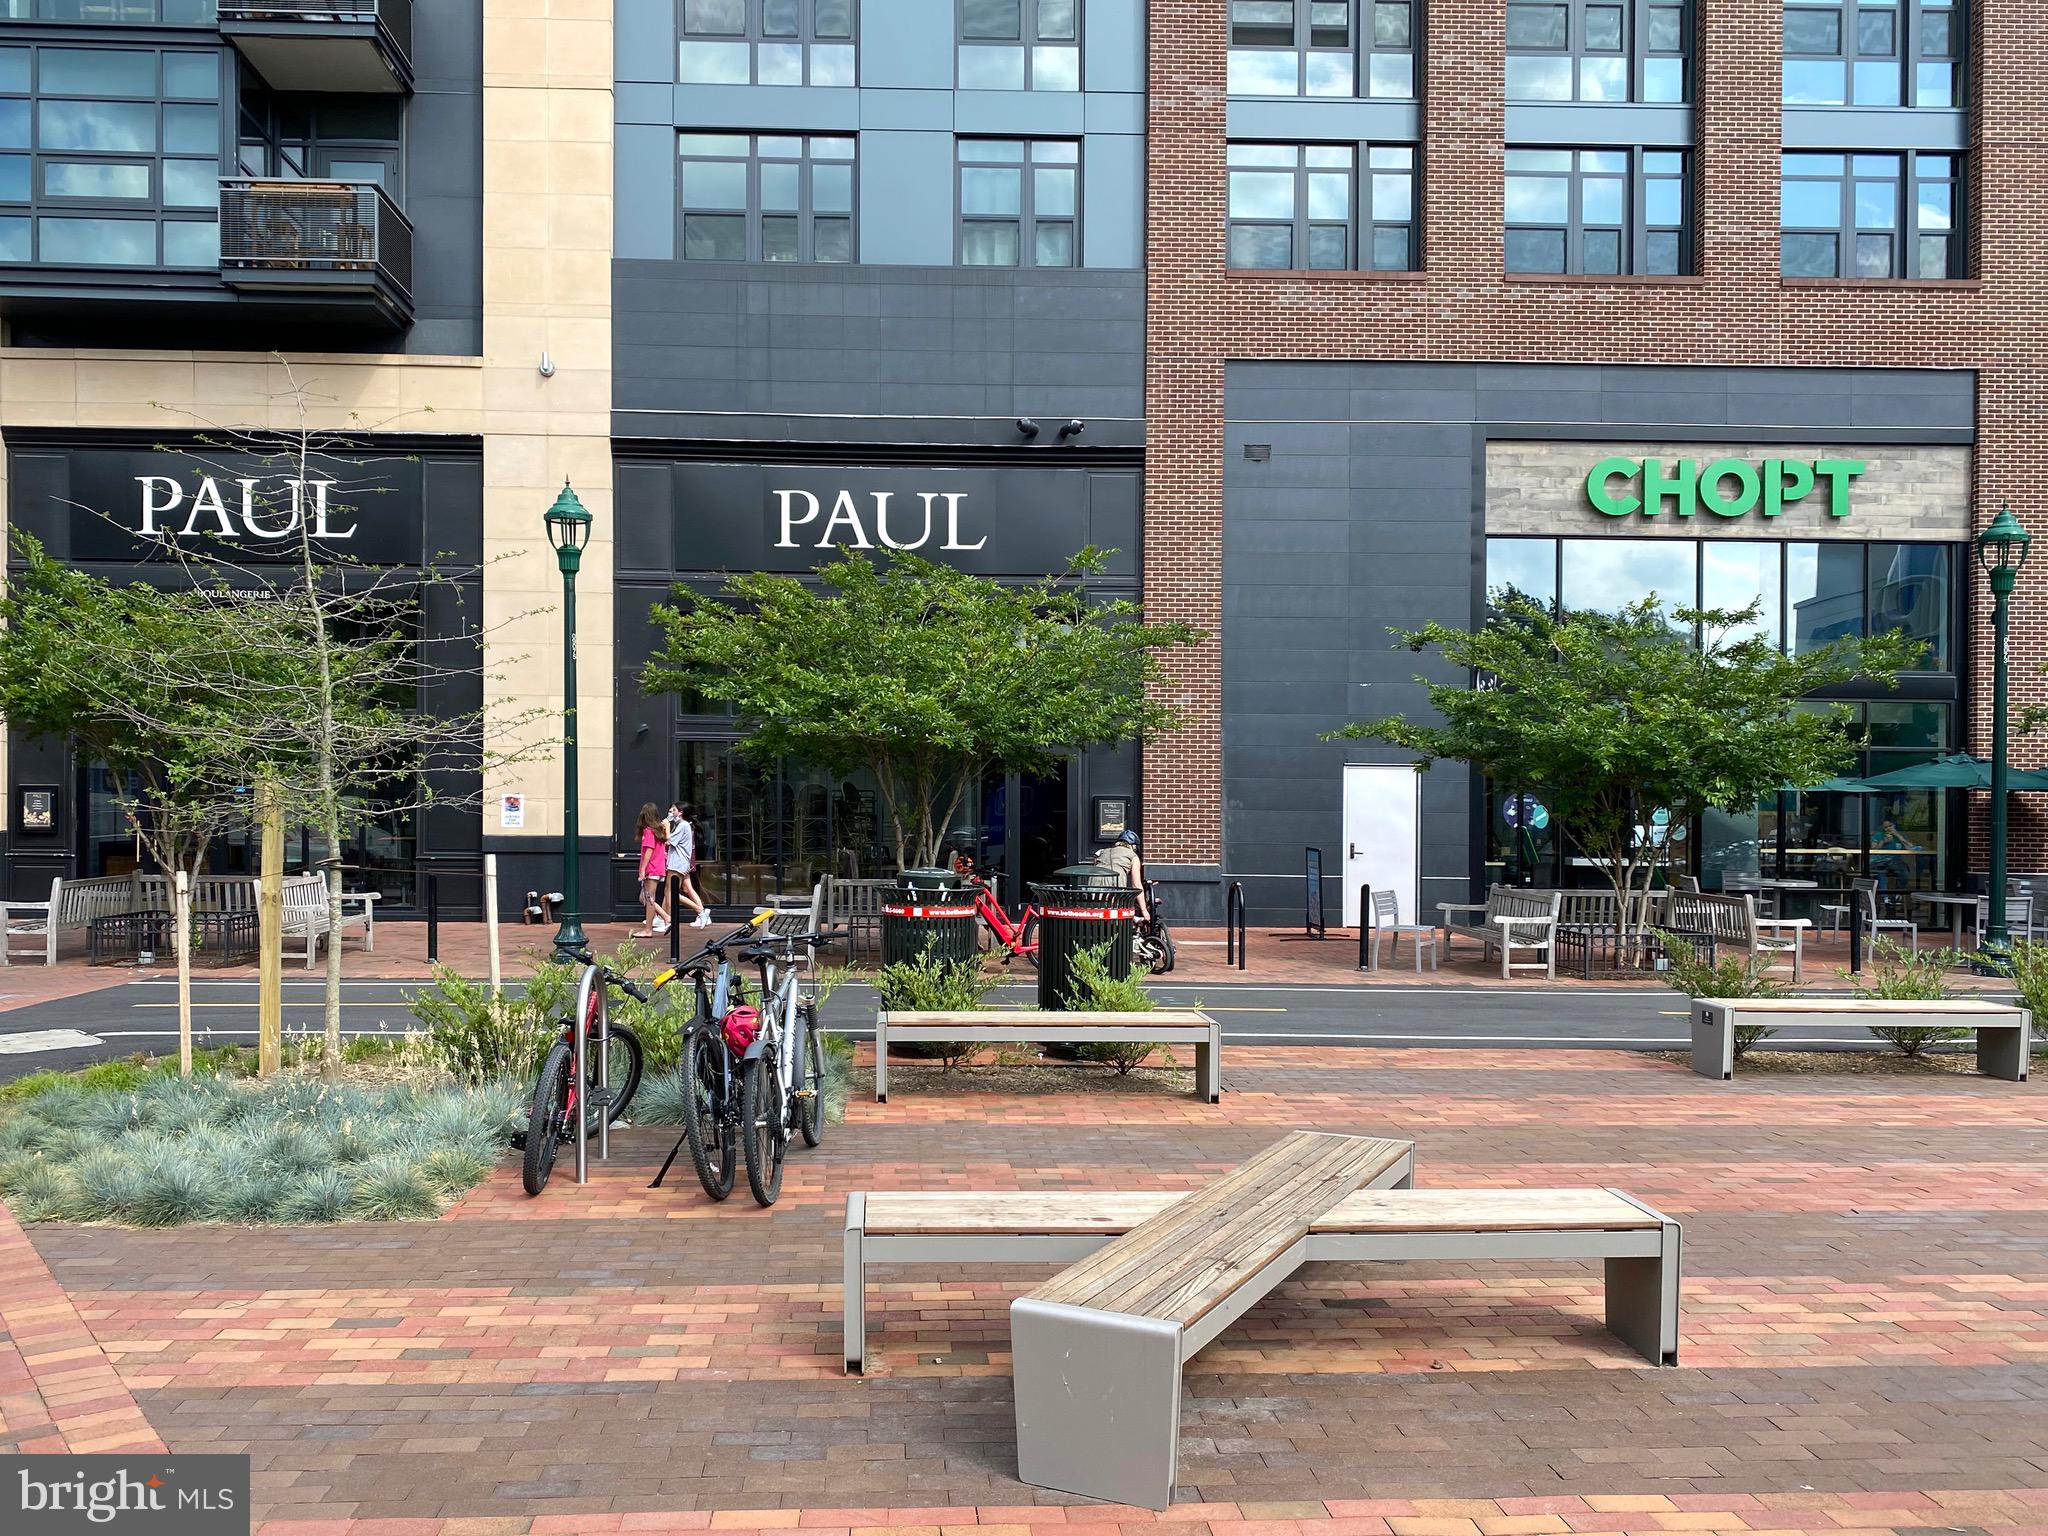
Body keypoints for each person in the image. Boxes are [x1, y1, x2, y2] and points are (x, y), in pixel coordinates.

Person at [665, 802, 710, 929]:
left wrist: (667, 827)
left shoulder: (683, 825)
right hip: (678, 862)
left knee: (671, 892)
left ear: (681, 812)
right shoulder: (682, 825)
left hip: (678, 863)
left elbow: (670, 841)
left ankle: (700, 911)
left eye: (673, 810)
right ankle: (668, 920)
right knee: (677, 890)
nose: (671, 812)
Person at [1093, 827, 1149, 923]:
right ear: (1134, 846)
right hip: (1114, 896)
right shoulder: (1133, 856)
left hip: (1094, 894)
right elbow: (1136, 885)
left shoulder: (1102, 852)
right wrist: (1144, 911)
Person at [634, 803, 668, 937]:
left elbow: (649, 850)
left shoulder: (649, 831)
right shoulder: (659, 830)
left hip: (651, 868)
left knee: (649, 899)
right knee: (649, 898)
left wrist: (643, 869)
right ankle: (665, 918)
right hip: (659, 867)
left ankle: (648, 929)